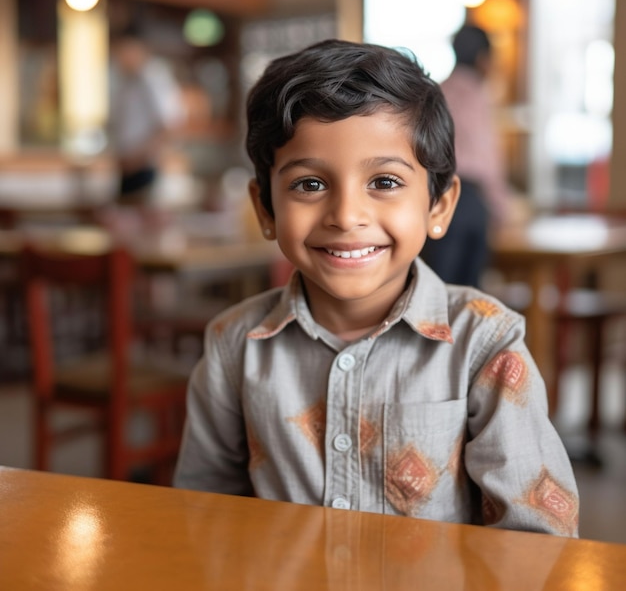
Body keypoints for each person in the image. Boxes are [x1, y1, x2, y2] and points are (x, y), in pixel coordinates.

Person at [174, 39, 579, 537]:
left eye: (384, 182)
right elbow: (202, 516)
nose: (346, 216)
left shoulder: (485, 344)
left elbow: (537, 541)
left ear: (438, 207)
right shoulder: (232, 345)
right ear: (265, 209)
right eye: (309, 184)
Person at [421, 24, 510, 288]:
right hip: (469, 199)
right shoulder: (477, 96)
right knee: (466, 294)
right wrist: (501, 207)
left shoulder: (434, 92)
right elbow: (487, 160)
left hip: (435, 195)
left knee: (436, 285)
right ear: (484, 59)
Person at [108, 26, 184, 204]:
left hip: (144, 167)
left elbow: (170, 125)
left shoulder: (153, 77)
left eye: (124, 51)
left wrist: (138, 158)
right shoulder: (125, 81)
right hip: (127, 166)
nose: (120, 58)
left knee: (142, 221)